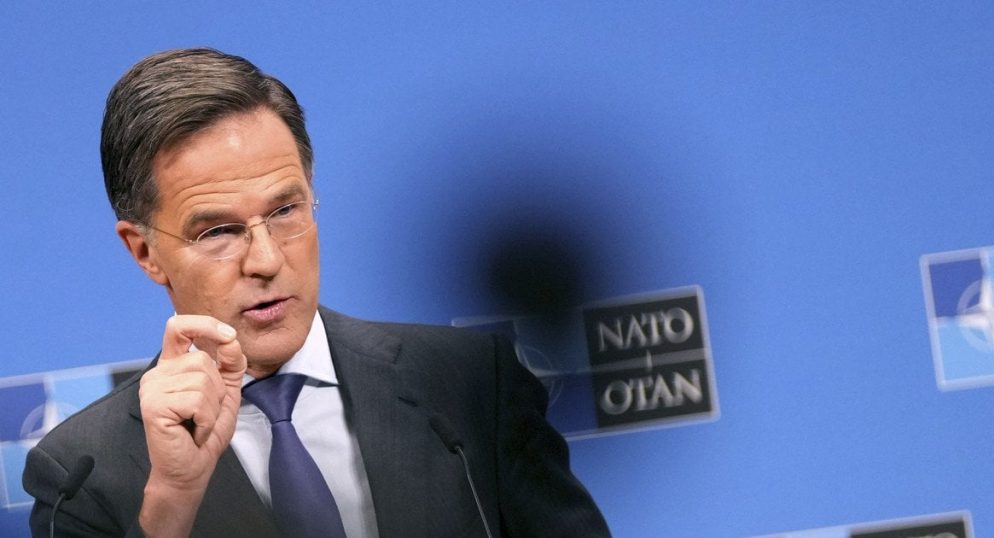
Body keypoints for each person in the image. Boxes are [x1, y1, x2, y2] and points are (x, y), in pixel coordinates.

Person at [22, 48, 610, 537]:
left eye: (285, 211)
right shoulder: (82, 472)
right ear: (145, 252)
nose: (267, 260)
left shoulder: (471, 385)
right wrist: (172, 498)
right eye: (218, 231)